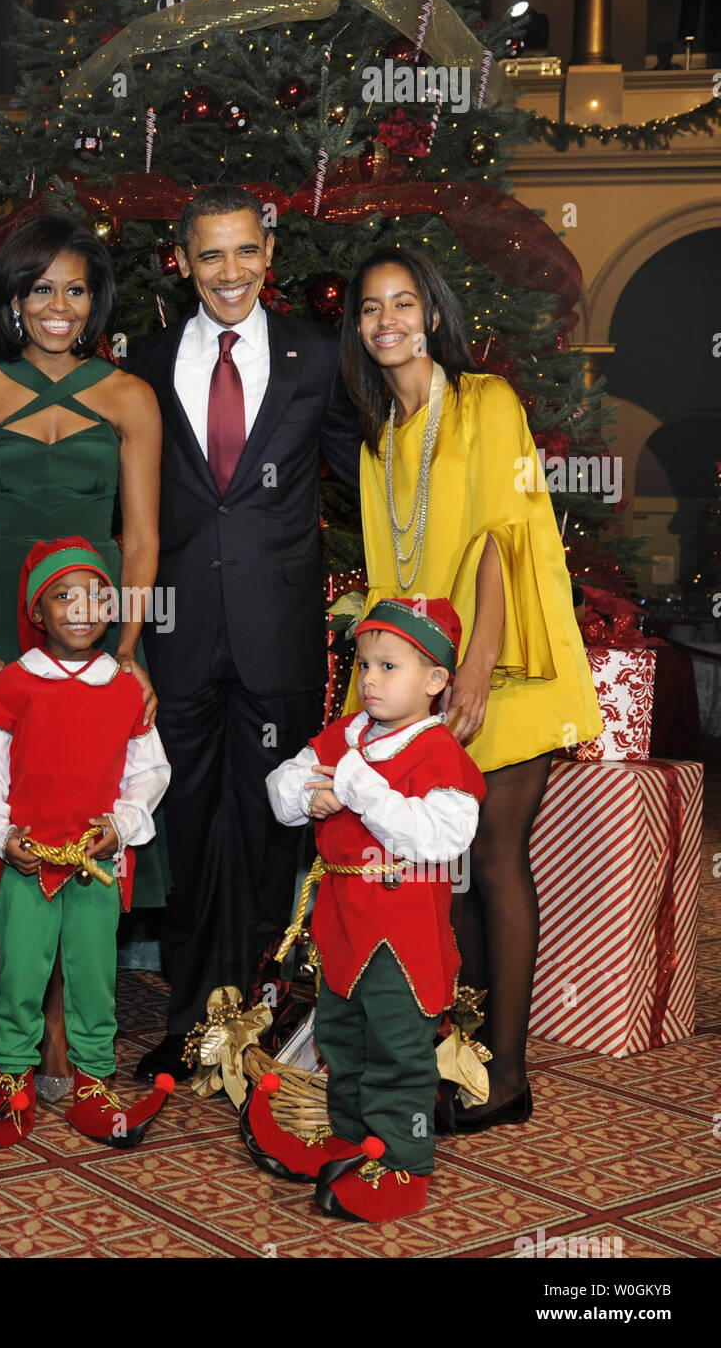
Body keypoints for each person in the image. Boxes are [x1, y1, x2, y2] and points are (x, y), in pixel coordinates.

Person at [338, 246, 602, 1129]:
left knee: (494, 857)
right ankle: (469, 1058)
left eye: (404, 303)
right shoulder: (382, 442)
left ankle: (513, 1076)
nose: (389, 322)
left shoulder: (485, 402)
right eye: (372, 309)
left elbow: (506, 538)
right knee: (444, 874)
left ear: (435, 315)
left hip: (507, 666)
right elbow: (389, 575)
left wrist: (479, 670)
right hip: (428, 682)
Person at [124, 183, 362, 1080]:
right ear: (182, 261)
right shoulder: (142, 363)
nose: (230, 273)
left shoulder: (318, 356)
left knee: (274, 831)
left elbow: (368, 461)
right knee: (185, 826)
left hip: (279, 632)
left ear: (270, 256)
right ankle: (191, 1026)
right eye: (210, 255)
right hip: (177, 636)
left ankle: (265, 1024)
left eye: (246, 253)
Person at [0, 214, 166, 1101]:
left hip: (94, 619)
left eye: (74, 289)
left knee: (84, 813)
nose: (57, 306)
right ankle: (5, 1021)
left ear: (95, 299)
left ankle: (67, 1025)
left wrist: (131, 650)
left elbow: (140, 540)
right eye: (40, 289)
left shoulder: (130, 399)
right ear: (13, 299)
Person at [260, 597, 485, 1222]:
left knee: (396, 1046)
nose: (370, 681)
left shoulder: (442, 755)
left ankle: (405, 1161)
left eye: (390, 667)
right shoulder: (347, 735)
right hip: (342, 922)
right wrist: (309, 796)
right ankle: (354, 1137)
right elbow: (282, 785)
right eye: (364, 666)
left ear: (437, 681)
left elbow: (438, 839)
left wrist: (358, 788)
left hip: (402, 934)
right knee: (341, 1035)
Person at [0, 538, 173, 1148]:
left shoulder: (126, 688)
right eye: (63, 596)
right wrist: (3, 834)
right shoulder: (13, 684)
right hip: (29, 865)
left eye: (96, 595)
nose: (81, 608)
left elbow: (149, 771)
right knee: (21, 973)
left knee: (93, 974)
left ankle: (93, 1079)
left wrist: (123, 826)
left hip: (93, 866)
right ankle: (13, 1079)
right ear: (37, 610)